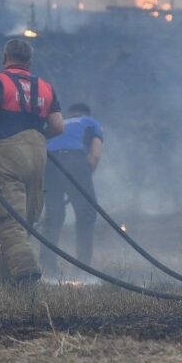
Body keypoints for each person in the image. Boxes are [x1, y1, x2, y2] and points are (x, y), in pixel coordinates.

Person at [0, 39, 64, 286]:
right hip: (37, 153)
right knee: (26, 221)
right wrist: (36, 139)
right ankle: (8, 286)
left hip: (5, 151)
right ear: (29, 61)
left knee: (9, 220)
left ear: (4, 57)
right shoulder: (45, 86)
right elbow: (58, 127)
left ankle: (27, 270)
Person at [40, 103, 104, 276]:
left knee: (53, 217)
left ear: (69, 114)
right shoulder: (90, 122)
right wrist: (84, 176)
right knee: (86, 214)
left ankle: (48, 268)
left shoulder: (60, 124)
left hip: (50, 164)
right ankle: (83, 269)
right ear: (87, 113)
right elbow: (96, 154)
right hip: (76, 161)